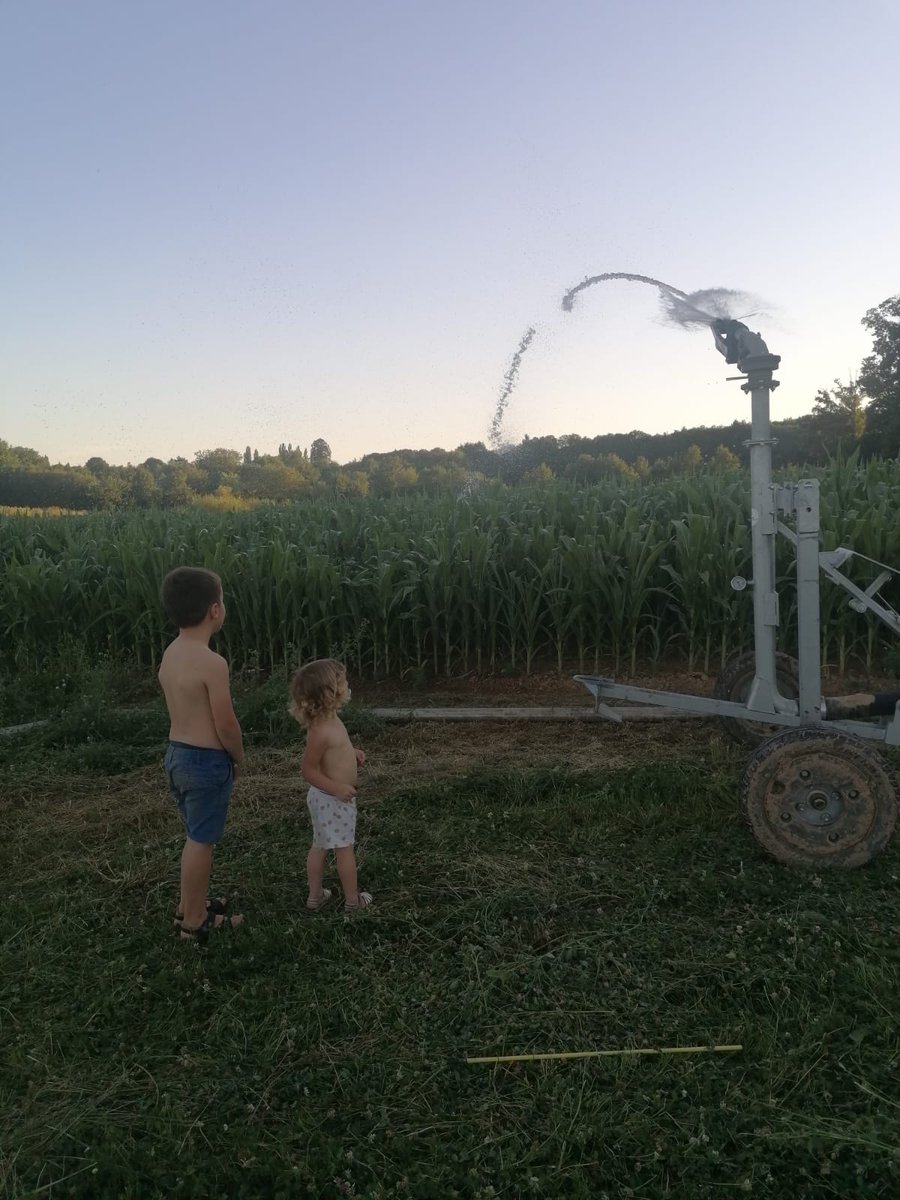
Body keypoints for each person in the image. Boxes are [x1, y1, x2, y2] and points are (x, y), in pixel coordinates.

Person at [158, 567, 245, 942]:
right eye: (222, 600)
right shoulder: (213, 663)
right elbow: (225, 724)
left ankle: (189, 902)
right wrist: (238, 757)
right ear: (214, 610)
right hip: (205, 763)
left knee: (195, 835)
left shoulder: (171, 653)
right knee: (201, 842)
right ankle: (194, 922)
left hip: (176, 756)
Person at [290, 658, 373, 912]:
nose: (347, 685)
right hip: (332, 800)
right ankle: (353, 902)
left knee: (321, 845)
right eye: (343, 682)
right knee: (344, 850)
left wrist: (352, 752)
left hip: (328, 800)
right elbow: (308, 769)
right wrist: (336, 789)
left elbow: (335, 751)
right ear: (330, 693)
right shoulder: (320, 731)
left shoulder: (331, 719)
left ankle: (315, 897)